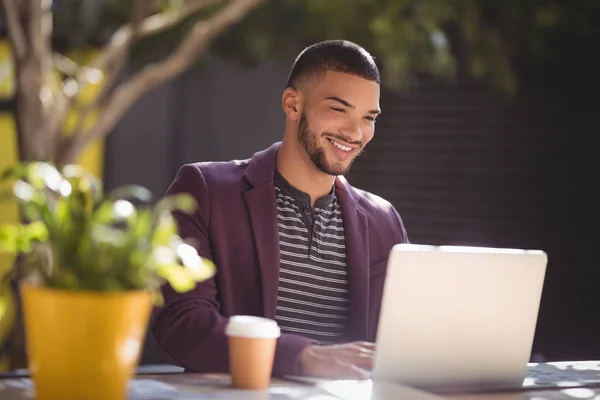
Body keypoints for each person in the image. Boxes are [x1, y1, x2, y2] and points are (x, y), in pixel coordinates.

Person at [150, 40, 409, 380]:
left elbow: (400, 341)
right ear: (292, 103)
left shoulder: (382, 220)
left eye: (368, 118)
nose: (355, 132)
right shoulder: (206, 190)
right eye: (339, 109)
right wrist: (299, 356)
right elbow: (181, 324)